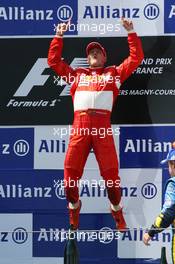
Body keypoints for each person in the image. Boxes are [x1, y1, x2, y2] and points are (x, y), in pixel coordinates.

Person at [48, 18, 144, 231]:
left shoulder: (114, 74)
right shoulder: (76, 75)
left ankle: (117, 210)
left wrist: (131, 31)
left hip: (102, 125)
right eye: (91, 51)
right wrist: (59, 35)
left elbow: (136, 58)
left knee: (111, 178)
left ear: (104, 56)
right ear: (87, 57)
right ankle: (74, 207)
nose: (94, 53)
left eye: (98, 51)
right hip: (80, 125)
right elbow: (54, 62)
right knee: (69, 176)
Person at [143, 144, 175, 263]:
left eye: (168, 164)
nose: (168, 169)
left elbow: (168, 213)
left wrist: (151, 232)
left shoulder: (173, 184)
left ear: (173, 164)